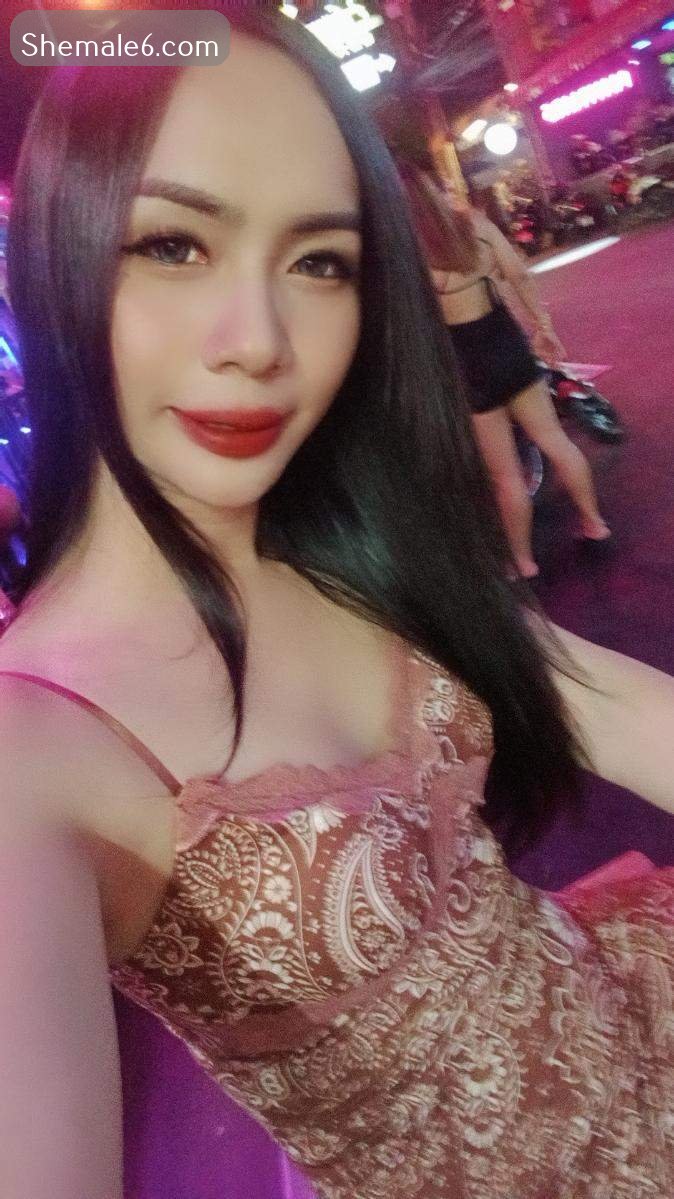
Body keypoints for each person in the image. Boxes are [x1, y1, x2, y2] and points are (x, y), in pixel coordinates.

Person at [0, 12, 671, 1199]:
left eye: (319, 262)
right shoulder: (33, 747)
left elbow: (605, 699)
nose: (259, 342)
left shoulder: (348, 546)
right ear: (59, 252)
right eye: (173, 243)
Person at [393, 157, 610, 578]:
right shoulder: (475, 226)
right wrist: (543, 328)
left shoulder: (406, 257)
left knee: (506, 476)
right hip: (507, 345)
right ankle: (594, 525)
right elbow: (519, 277)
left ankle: (523, 563)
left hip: (468, 365)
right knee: (556, 441)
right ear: (433, 190)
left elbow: (411, 327)